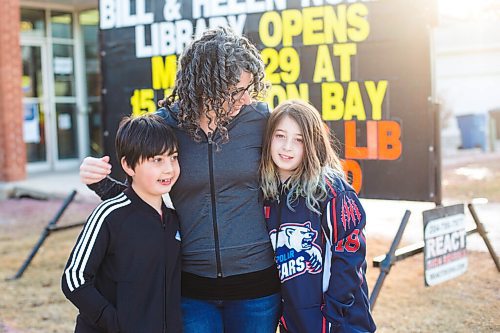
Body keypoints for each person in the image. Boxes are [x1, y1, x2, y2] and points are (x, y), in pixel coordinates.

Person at [78, 27, 281, 333]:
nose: (247, 98)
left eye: (250, 88)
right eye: (237, 91)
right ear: (206, 85)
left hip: (256, 285)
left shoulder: (261, 120)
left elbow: (301, 171)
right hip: (191, 290)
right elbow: (139, 197)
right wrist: (98, 181)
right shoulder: (163, 127)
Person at [260, 100, 376, 333]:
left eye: (299, 139)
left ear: (313, 143)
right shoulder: (266, 194)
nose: (287, 147)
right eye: (280, 136)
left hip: (339, 322)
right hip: (295, 321)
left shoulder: (332, 190)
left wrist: (333, 316)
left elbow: (350, 257)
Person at [61, 113, 182, 332]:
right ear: (128, 165)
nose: (169, 169)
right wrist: (114, 323)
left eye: (173, 157)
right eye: (157, 160)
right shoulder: (109, 214)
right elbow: (74, 279)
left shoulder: (173, 219)